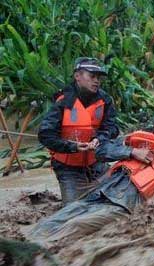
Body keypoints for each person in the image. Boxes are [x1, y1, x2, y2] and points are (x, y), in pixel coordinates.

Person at [30, 114, 154, 243]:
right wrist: (131, 152)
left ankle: (41, 253)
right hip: (100, 194)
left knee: (76, 225)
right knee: (62, 216)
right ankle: (23, 246)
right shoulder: (135, 144)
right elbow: (102, 151)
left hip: (124, 208)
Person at [38, 57, 119, 204]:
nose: (97, 81)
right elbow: (45, 135)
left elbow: (112, 128)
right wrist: (73, 146)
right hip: (68, 168)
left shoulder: (105, 100)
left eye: (98, 77)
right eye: (92, 76)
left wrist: (99, 139)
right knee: (72, 210)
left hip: (96, 163)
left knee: (119, 193)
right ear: (77, 76)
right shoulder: (62, 102)